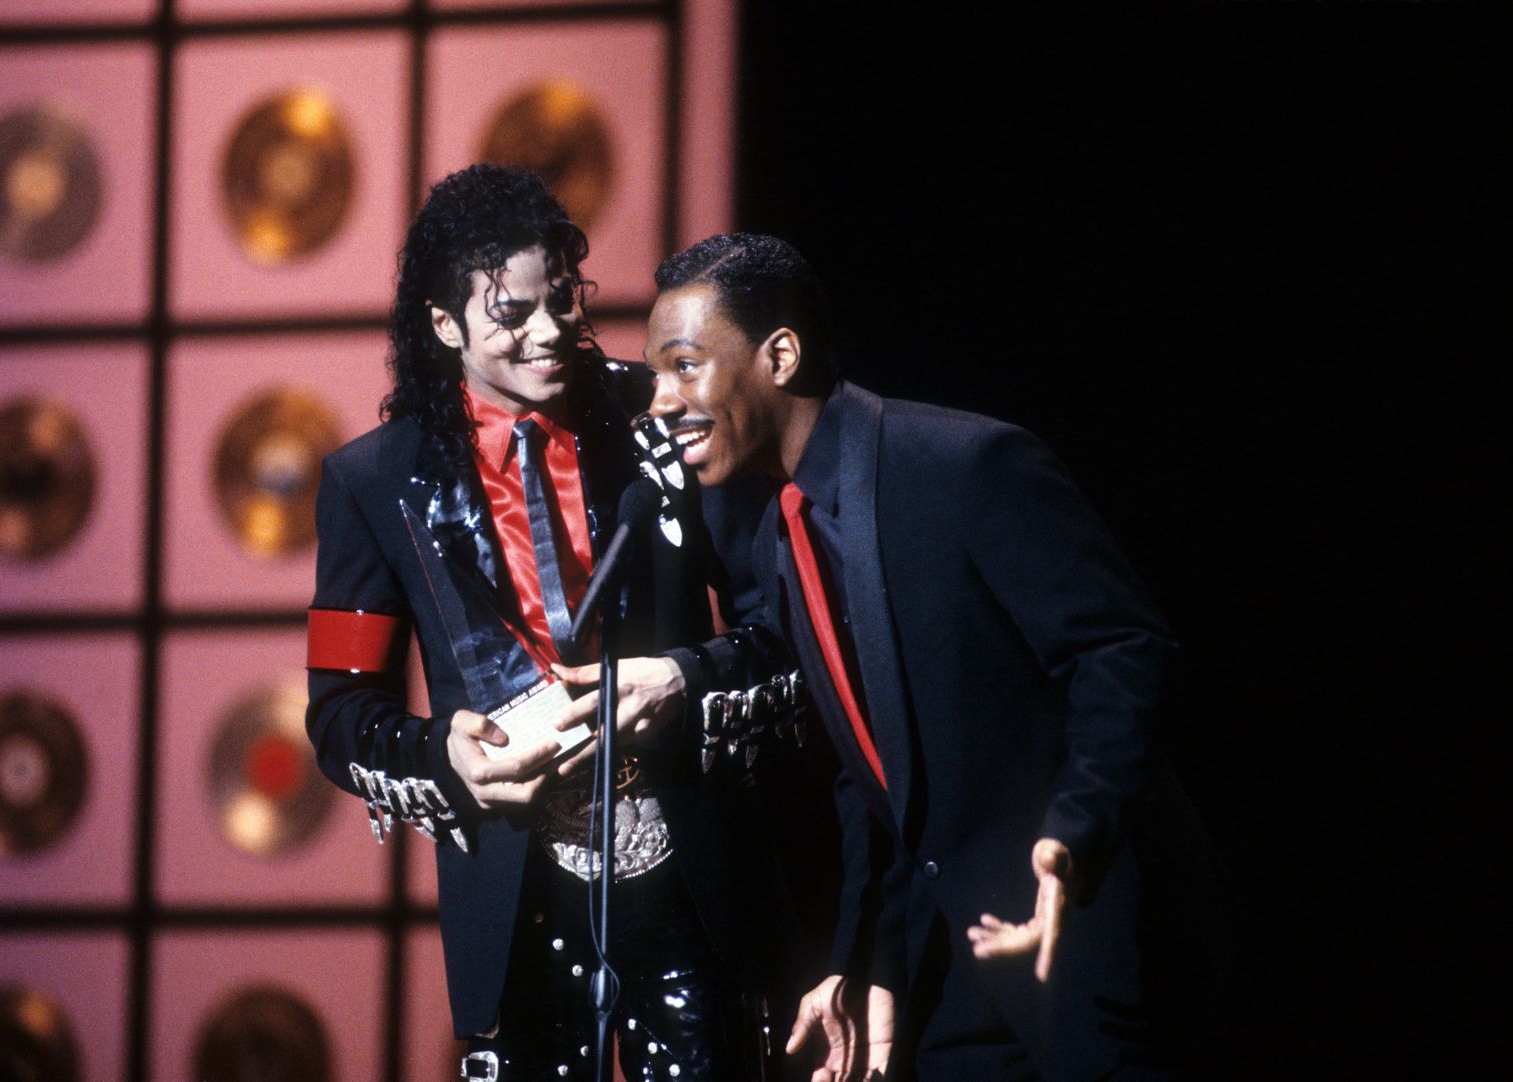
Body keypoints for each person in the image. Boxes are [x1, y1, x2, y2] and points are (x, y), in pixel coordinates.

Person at [642, 233, 1180, 1080]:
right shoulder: (776, 539)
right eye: (654, 376)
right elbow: (869, 773)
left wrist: (1075, 833)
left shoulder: (963, 466)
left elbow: (1122, 647)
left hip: (1081, 945)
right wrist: (861, 959)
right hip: (956, 974)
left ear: (779, 355)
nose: (661, 401)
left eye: (683, 366)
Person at [305, 168, 801, 1081]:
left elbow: (786, 626)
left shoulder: (660, 412)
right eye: (509, 314)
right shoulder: (373, 482)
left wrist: (684, 680)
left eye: (561, 301)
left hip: (693, 866)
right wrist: (441, 756)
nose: (546, 334)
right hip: (512, 889)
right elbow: (337, 714)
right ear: (444, 323)